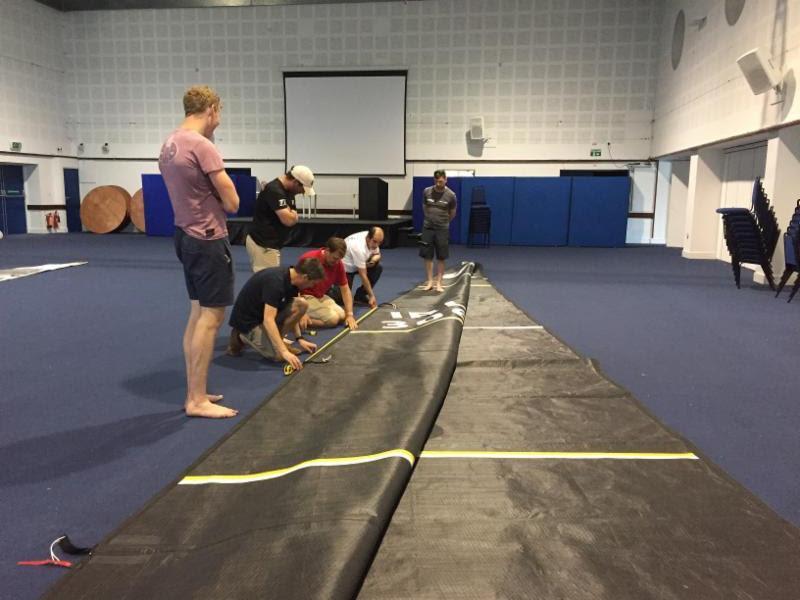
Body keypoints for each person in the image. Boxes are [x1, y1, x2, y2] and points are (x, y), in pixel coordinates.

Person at [159, 85, 240, 419]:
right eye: (218, 113)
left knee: (197, 314)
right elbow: (233, 202)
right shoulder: (201, 145)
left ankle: (196, 391)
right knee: (211, 318)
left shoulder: (170, 143)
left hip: (184, 235)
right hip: (207, 238)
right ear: (211, 109)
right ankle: (196, 400)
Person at [226, 258, 325, 371]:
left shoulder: (292, 280)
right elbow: (268, 320)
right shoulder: (275, 282)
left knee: (302, 304)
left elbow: (291, 312)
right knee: (279, 357)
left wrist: (299, 338)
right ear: (305, 277)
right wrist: (283, 352)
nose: (311, 286)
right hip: (248, 323)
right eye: (313, 283)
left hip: (262, 315)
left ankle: (276, 342)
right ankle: (240, 336)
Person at [245, 165, 315, 272]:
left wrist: (292, 215)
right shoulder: (275, 191)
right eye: (302, 188)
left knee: (266, 282)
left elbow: (293, 216)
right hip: (264, 245)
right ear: (296, 182)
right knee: (268, 284)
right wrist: (292, 215)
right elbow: (289, 220)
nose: (302, 192)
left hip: (269, 245)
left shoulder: (289, 192)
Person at [297, 237, 359, 330]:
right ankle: (296, 320)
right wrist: (302, 313)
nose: (337, 262)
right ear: (327, 250)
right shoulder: (309, 258)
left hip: (321, 296)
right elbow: (294, 284)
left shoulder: (338, 263)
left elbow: (345, 289)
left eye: (339, 259)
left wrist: (350, 314)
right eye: (335, 258)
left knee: (342, 315)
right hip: (304, 297)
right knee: (333, 320)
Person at [420, 170, 457, 292]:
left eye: (441, 181)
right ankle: (430, 281)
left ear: (446, 180)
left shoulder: (451, 195)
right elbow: (425, 207)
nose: (439, 183)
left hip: (442, 228)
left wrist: (443, 222)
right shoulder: (427, 191)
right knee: (428, 256)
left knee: (441, 256)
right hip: (428, 228)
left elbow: (452, 213)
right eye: (436, 181)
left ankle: (439, 283)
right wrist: (430, 218)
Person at [337, 227, 384, 308]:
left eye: (379, 243)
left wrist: (373, 260)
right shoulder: (358, 247)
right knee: (341, 300)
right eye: (375, 242)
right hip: (344, 268)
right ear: (368, 238)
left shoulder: (373, 238)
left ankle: (360, 296)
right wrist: (371, 296)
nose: (376, 245)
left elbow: (378, 254)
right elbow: (363, 276)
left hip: (358, 263)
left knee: (378, 267)